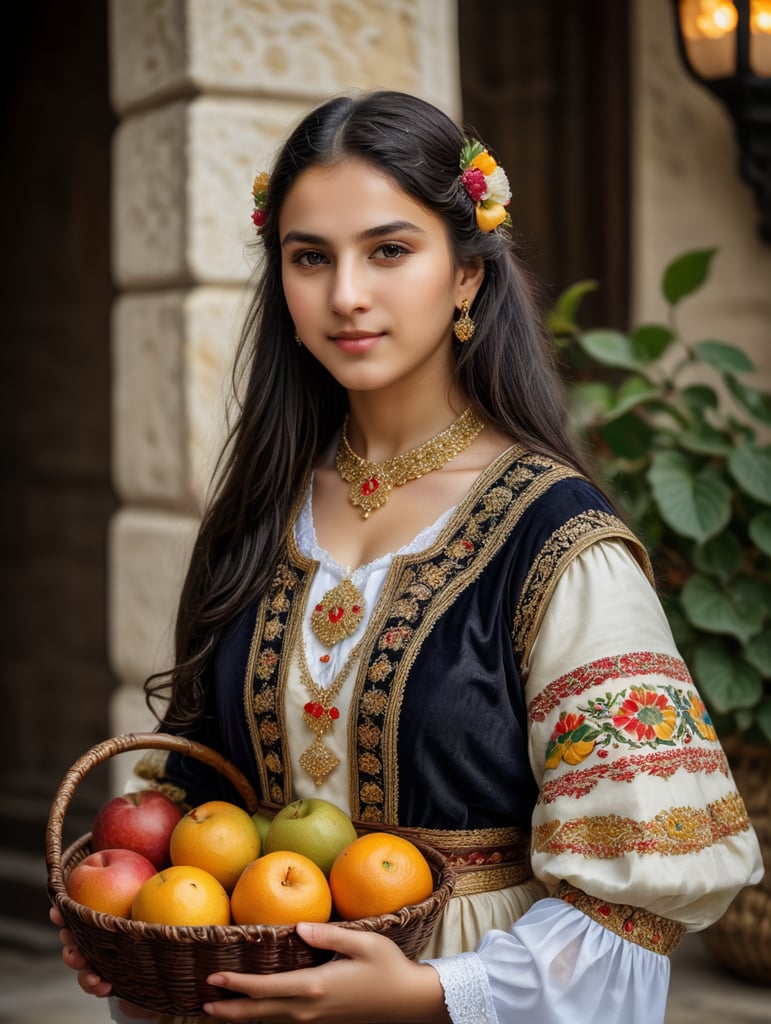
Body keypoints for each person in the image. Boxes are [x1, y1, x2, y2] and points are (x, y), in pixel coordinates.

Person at [52, 89, 763, 1024]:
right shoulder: (257, 514)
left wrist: (432, 994)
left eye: (389, 250)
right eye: (310, 258)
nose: (346, 293)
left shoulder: (553, 535)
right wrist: (128, 913)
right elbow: (194, 792)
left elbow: (635, 900)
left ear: (466, 273)